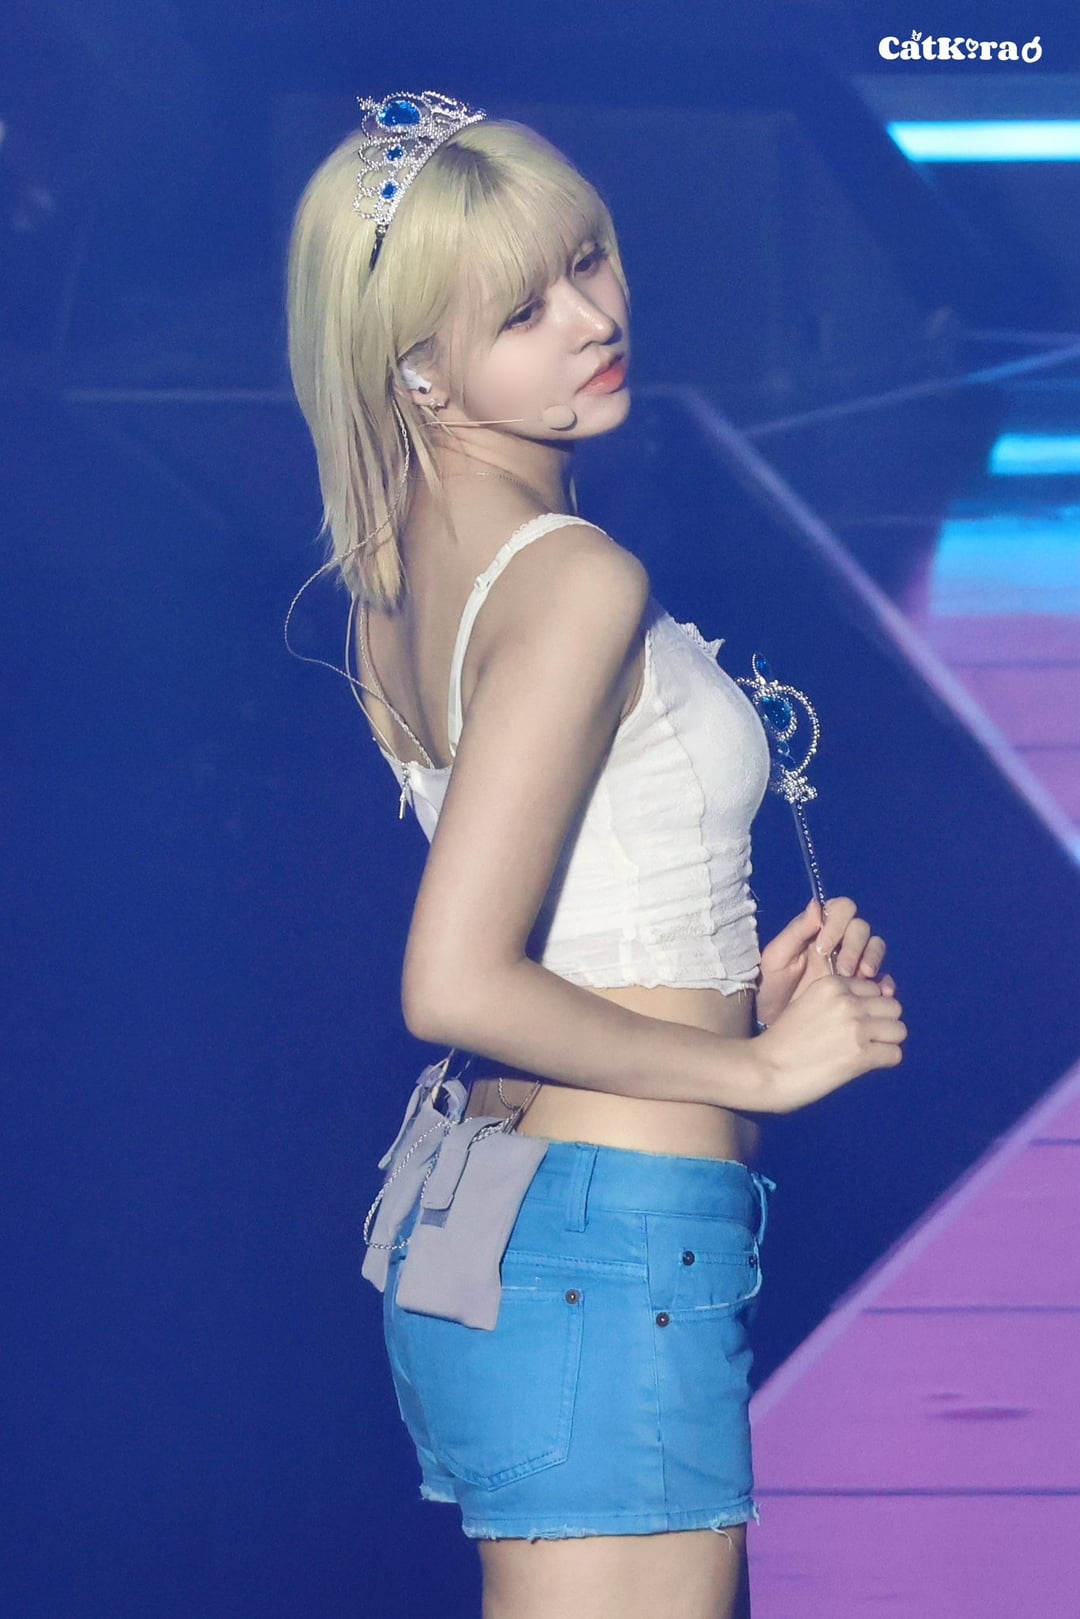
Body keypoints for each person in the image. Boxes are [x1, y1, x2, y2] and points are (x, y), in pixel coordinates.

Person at [284, 92, 906, 1619]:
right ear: (418, 371)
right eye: (523, 310)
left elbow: (571, 896)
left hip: (528, 1223)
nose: (593, 318)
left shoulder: (399, 574)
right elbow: (453, 979)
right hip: (609, 1245)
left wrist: (723, 986)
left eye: (587, 259)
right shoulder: (569, 580)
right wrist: (759, 1067)